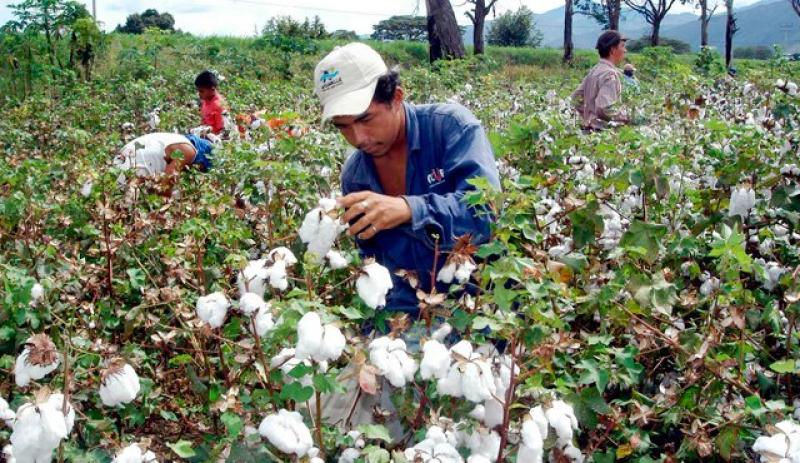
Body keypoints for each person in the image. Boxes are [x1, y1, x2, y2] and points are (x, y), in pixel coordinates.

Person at [313, 42, 500, 315]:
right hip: (410, 313)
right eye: (343, 127)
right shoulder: (356, 177)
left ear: (396, 97)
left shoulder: (450, 127)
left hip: (481, 302)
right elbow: (379, 269)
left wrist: (409, 209)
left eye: (366, 119)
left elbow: (485, 214)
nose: (357, 138)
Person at [572, 30, 630, 130]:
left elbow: (575, 98)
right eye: (622, 46)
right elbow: (604, 108)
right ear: (612, 50)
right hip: (604, 132)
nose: (625, 50)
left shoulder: (594, 70)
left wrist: (588, 116)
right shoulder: (609, 74)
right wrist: (626, 117)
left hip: (589, 130)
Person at [113, 132, 213, 190]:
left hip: (123, 158)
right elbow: (164, 185)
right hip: (135, 164)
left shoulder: (178, 139)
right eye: (202, 168)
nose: (197, 171)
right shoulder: (190, 152)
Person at [195, 70, 228, 135]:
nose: (199, 94)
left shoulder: (219, 105)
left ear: (212, 89)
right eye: (198, 91)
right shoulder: (205, 101)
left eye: (201, 91)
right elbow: (204, 122)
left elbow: (222, 131)